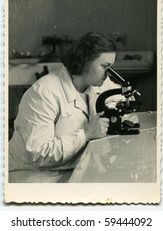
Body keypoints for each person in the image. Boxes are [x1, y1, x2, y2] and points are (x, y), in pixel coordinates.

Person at [9, 32, 121, 183]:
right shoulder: (44, 93)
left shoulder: (96, 83)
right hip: (35, 175)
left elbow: (119, 96)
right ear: (86, 62)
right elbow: (39, 154)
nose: (108, 74)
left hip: (71, 169)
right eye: (105, 66)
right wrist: (86, 133)